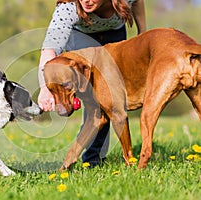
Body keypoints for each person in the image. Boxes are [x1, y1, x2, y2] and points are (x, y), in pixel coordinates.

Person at [38, 0, 146, 166]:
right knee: (94, 100)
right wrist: (44, 88)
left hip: (114, 33)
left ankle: (97, 157)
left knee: (110, 99)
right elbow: (49, 49)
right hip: (82, 36)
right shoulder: (69, 9)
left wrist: (142, 33)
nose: (86, 1)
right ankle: (92, 159)